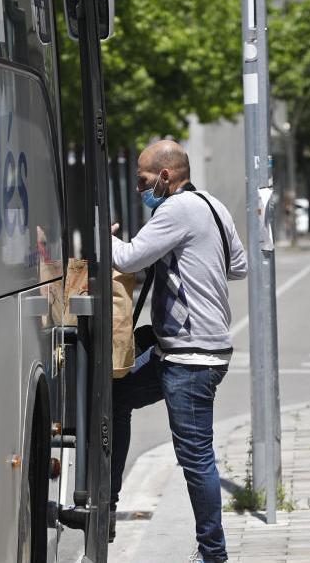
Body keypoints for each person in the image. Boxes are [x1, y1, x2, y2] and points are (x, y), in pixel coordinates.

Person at [108, 140, 247, 563]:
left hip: (191, 357)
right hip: (183, 351)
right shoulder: (213, 206)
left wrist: (102, 236)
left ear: (165, 176)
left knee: (195, 458)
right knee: (118, 394)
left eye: (144, 180)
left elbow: (129, 258)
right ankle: (106, 505)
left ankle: (213, 554)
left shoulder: (176, 210)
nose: (139, 188)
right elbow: (238, 264)